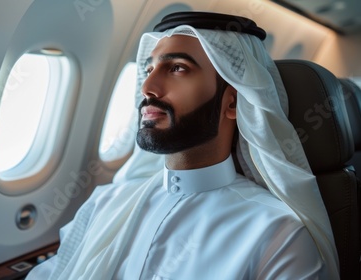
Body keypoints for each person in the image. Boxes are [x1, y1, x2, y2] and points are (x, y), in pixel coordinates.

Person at [26, 11, 339, 280]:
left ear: (233, 102)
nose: (148, 88)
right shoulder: (106, 203)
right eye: (149, 70)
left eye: (177, 68)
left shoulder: (277, 234)